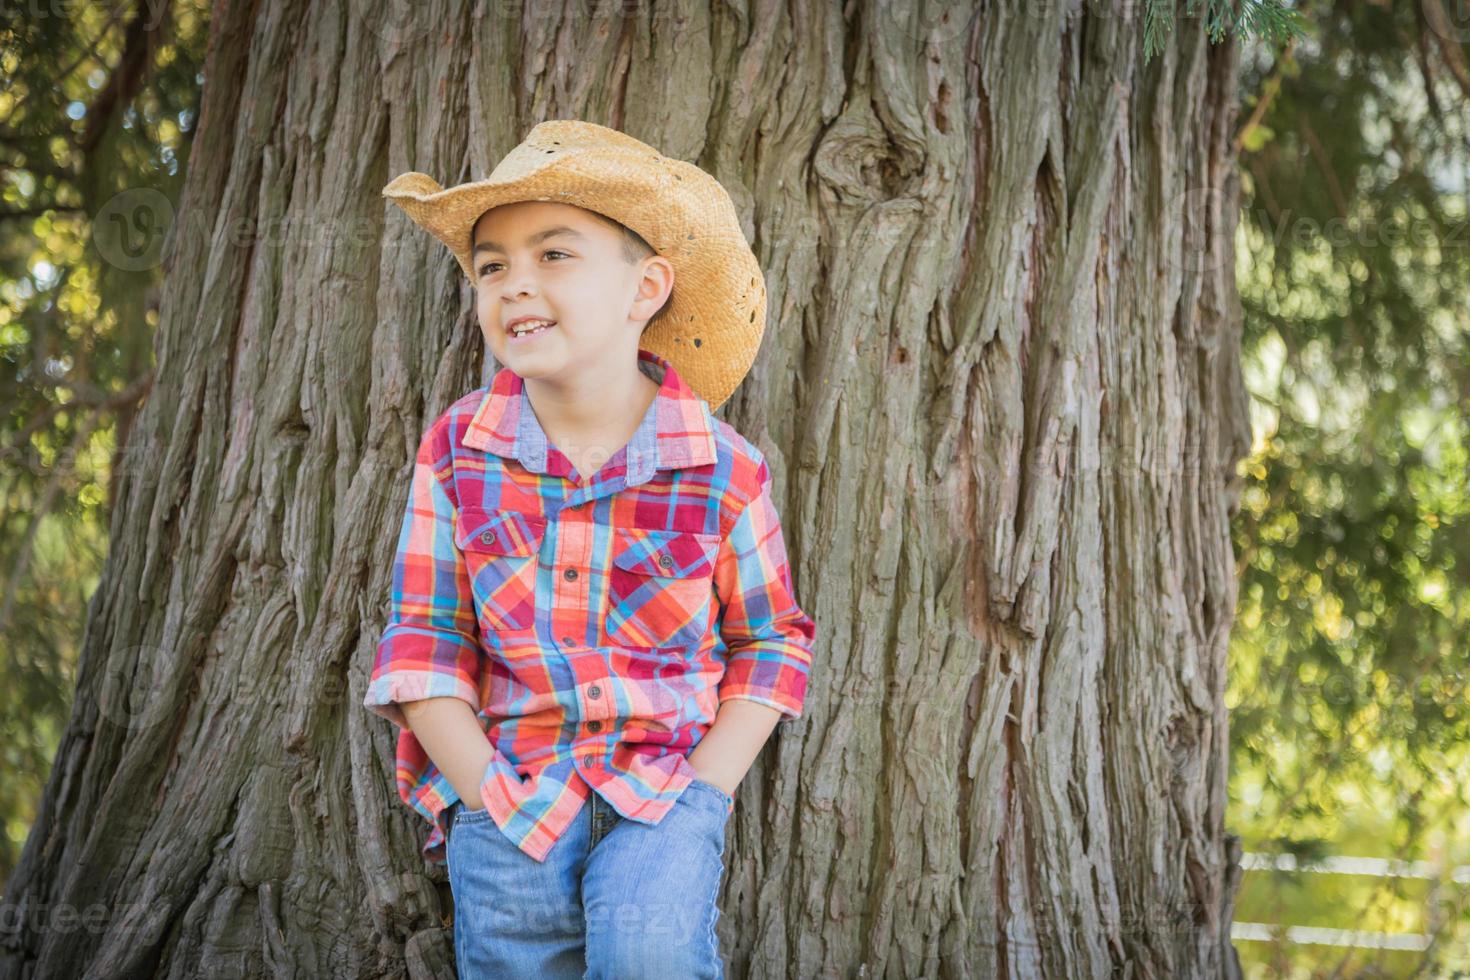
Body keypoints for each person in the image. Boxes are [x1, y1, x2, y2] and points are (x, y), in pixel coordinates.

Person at [362, 119, 818, 979]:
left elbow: (770, 640)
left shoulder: (721, 468)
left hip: (661, 798)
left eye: (554, 255)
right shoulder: (461, 448)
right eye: (492, 265)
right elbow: (422, 638)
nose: (514, 284)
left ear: (645, 287)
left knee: (648, 957)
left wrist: (702, 796)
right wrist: (482, 793)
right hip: (511, 793)